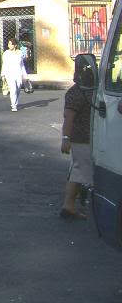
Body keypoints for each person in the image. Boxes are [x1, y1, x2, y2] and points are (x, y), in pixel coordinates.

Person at [60, 56, 94, 220]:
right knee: (80, 171)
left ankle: (71, 204)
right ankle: (69, 206)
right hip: (81, 138)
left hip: (88, 137)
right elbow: (69, 118)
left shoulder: (89, 89)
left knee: (78, 170)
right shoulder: (75, 92)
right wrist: (65, 138)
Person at [1, 38, 28, 112]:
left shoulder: (19, 53)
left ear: (15, 45)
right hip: (9, 74)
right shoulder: (6, 53)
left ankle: (15, 101)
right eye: (8, 43)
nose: (9, 45)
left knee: (18, 88)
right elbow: (4, 64)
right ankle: (14, 105)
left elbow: (22, 65)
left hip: (18, 73)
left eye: (11, 44)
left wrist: (25, 75)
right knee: (13, 89)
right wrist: (3, 74)